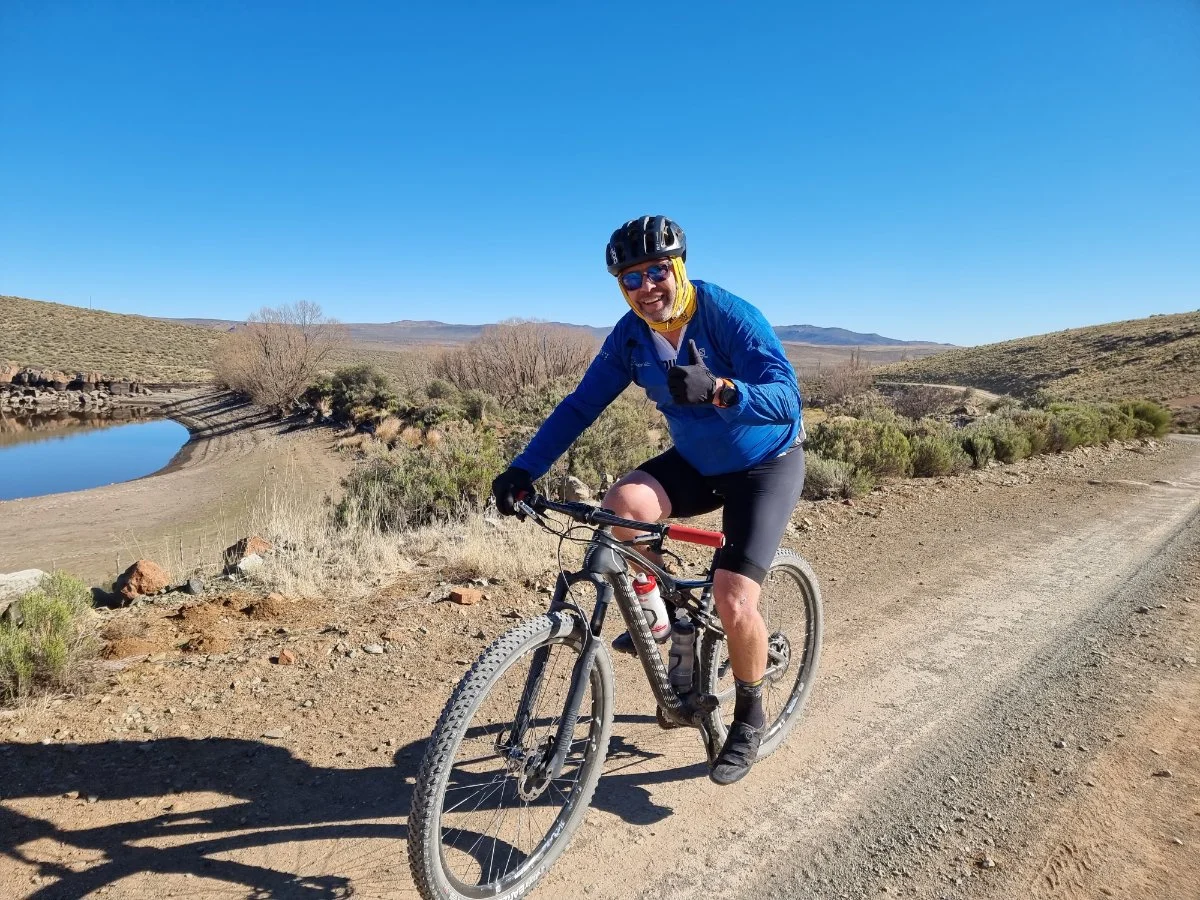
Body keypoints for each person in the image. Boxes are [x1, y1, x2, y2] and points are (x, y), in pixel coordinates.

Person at [491, 215, 805, 785]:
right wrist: (524, 468)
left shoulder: (727, 315)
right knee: (622, 508)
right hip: (700, 463)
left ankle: (750, 714)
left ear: (678, 267)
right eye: (631, 279)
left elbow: (788, 399)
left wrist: (721, 390)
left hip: (765, 464)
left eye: (656, 271)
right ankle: (664, 625)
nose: (646, 288)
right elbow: (579, 406)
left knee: (734, 601)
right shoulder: (630, 336)